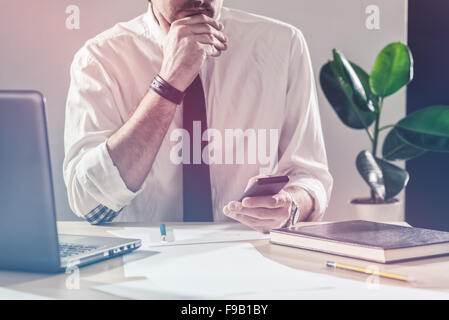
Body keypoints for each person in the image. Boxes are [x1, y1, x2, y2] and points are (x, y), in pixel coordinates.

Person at [63, 0, 333, 233]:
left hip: (252, 262)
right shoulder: (99, 59)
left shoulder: (282, 45)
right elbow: (91, 204)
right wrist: (169, 82)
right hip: (143, 266)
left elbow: (310, 176)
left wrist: (292, 204)